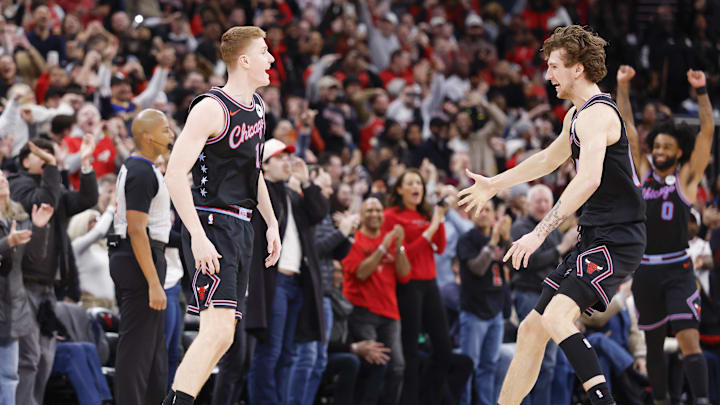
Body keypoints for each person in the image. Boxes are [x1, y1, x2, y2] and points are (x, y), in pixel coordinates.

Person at [458, 25, 646, 405]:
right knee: (531, 329)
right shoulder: (576, 116)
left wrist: (538, 233)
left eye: (555, 66)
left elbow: (589, 179)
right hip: (595, 237)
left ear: (578, 68)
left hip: (618, 237)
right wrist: (496, 183)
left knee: (558, 317)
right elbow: (548, 159)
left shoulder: (597, 116)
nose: (548, 76)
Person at [163, 26, 282, 405]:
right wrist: (196, 235)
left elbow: (254, 172)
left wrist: (272, 223)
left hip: (241, 224)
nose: (272, 59)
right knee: (214, 332)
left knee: (225, 334)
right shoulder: (211, 108)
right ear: (244, 60)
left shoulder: (259, 108)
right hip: (211, 222)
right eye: (264, 52)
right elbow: (173, 174)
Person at [617, 65, 714, 405]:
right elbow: (627, 130)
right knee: (653, 344)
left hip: (678, 269)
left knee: (689, 339)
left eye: (665, 147)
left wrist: (701, 92)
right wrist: (623, 87)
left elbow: (706, 133)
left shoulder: (685, 178)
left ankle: (701, 399)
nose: (657, 151)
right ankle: (660, 400)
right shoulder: (644, 172)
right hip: (644, 271)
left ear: (677, 152)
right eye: (655, 145)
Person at [10, 135, 97, 405]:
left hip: (49, 287)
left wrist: (84, 163)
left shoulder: (52, 185)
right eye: (41, 153)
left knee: (45, 358)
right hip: (23, 285)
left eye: (50, 152)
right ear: (25, 160)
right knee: (29, 358)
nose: (48, 157)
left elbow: (86, 199)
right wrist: (53, 168)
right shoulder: (17, 184)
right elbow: (43, 201)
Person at [247, 139, 328, 405]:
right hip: (275, 281)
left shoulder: (291, 194)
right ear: (265, 166)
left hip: (297, 284)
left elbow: (319, 213)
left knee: (288, 354)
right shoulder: (263, 193)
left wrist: (306, 182)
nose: (288, 163)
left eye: (288, 158)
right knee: (270, 352)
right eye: (281, 158)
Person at [109, 109, 174, 405]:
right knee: (136, 350)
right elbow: (136, 230)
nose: (170, 135)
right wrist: (154, 283)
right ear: (147, 136)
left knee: (152, 351)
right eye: (165, 130)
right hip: (138, 260)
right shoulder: (140, 171)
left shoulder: (141, 169)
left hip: (138, 257)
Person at [384, 168, 451, 405]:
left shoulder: (426, 215)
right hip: (407, 286)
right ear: (400, 190)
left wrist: (438, 217)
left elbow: (440, 247)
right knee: (409, 350)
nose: (416, 187)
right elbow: (400, 255)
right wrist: (431, 227)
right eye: (410, 183)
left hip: (430, 284)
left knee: (444, 349)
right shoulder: (392, 216)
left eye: (419, 184)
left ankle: (428, 397)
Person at [510, 184, 578, 405]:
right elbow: (527, 263)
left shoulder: (553, 230)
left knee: (552, 362)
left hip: (553, 300)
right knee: (533, 359)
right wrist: (561, 248)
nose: (542, 205)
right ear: (528, 205)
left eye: (546, 202)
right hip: (530, 296)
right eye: (537, 201)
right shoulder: (520, 227)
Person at [342, 196, 410, 405]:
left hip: (390, 313)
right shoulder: (354, 240)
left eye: (379, 210)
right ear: (361, 215)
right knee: (374, 366)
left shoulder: (390, 240)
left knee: (397, 367)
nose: (375, 214)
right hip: (362, 313)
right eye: (370, 210)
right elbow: (361, 273)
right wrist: (383, 247)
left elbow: (404, 275)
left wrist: (398, 247)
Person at [0, 171, 53, 405]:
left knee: (11, 374)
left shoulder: (18, 214)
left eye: (3, 177)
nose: (3, 180)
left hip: (13, 304)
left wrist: (39, 228)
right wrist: (7, 243)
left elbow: (34, 259)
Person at [456, 199, 511, 405]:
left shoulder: (499, 239)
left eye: (487, 209)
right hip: (474, 310)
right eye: (479, 210)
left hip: (495, 310)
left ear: (493, 215)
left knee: (489, 366)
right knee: (468, 367)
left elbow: (515, 265)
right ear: (470, 215)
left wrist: (506, 240)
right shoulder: (466, 240)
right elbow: (477, 268)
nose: (483, 213)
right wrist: (492, 242)